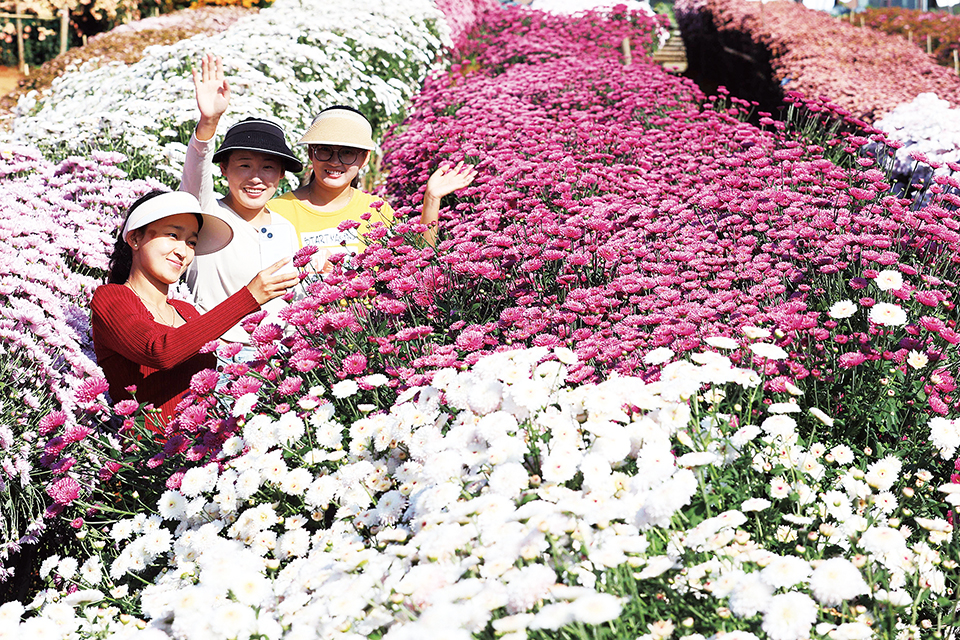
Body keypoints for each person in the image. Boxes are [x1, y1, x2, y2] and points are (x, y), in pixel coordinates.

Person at [90, 190, 299, 431]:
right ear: (135, 239)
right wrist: (248, 297)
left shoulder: (185, 310)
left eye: (191, 242)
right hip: (153, 460)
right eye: (172, 235)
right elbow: (159, 351)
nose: (183, 251)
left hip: (205, 450)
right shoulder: (111, 297)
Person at [180, 54, 303, 353]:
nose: (256, 178)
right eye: (244, 165)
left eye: (268, 168)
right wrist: (209, 123)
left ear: (282, 175)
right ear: (223, 168)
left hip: (279, 357)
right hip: (219, 353)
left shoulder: (284, 228)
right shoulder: (206, 213)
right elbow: (195, 171)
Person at [267, 105, 477, 253]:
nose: (334, 162)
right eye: (324, 150)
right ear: (311, 153)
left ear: (365, 158)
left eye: (347, 153)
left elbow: (418, 258)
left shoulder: (377, 211)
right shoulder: (276, 211)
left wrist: (431, 199)